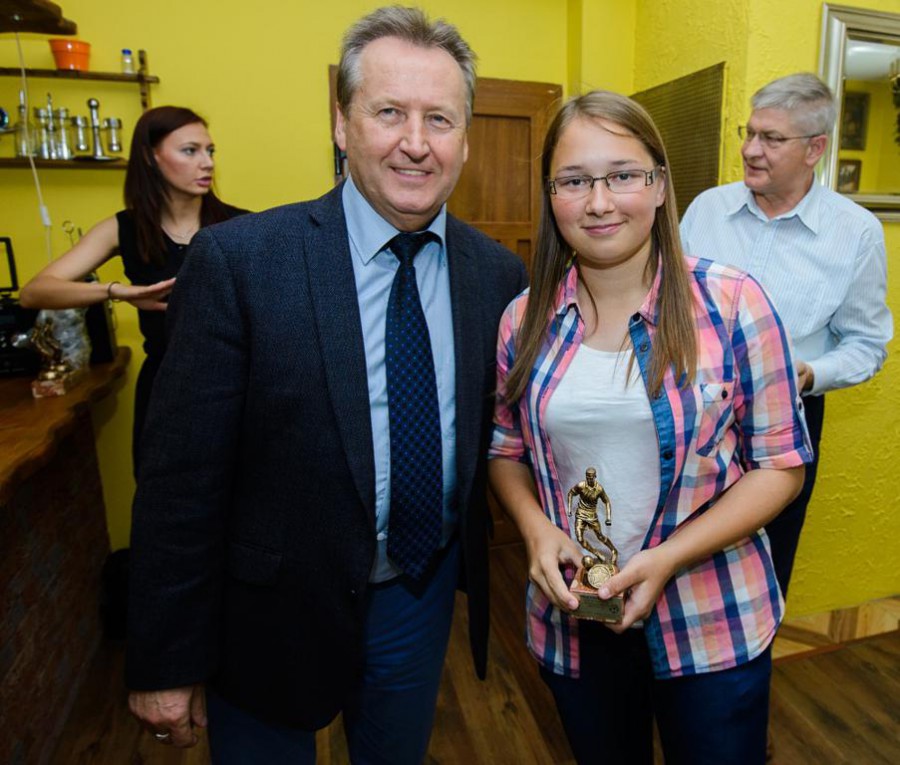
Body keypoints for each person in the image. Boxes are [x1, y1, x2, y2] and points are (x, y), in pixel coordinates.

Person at [125, 7, 527, 764]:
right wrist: (164, 658)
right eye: (389, 112)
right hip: (270, 609)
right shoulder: (241, 262)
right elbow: (181, 482)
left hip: (418, 593)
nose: (416, 142)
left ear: (466, 140)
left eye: (440, 119)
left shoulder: (499, 275)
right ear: (342, 124)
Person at [488, 90, 811, 765]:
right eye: (574, 181)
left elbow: (781, 465)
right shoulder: (523, 318)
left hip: (710, 619)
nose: (599, 202)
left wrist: (667, 557)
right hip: (576, 618)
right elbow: (506, 449)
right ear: (551, 196)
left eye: (623, 175)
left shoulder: (733, 303)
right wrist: (535, 527)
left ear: (660, 185)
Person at [680, 73, 892, 598]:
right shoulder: (706, 209)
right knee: (680, 553)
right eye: (749, 133)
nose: (751, 150)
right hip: (690, 411)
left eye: (772, 139)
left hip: (784, 422)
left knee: (764, 570)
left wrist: (811, 373)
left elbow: (867, 344)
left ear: (815, 149)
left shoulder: (856, 233)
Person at [19, 105, 247, 472]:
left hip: (237, 391)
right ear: (150, 157)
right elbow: (34, 292)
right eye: (190, 151)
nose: (207, 163)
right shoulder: (125, 228)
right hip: (165, 392)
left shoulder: (241, 227)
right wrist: (116, 291)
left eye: (210, 151)